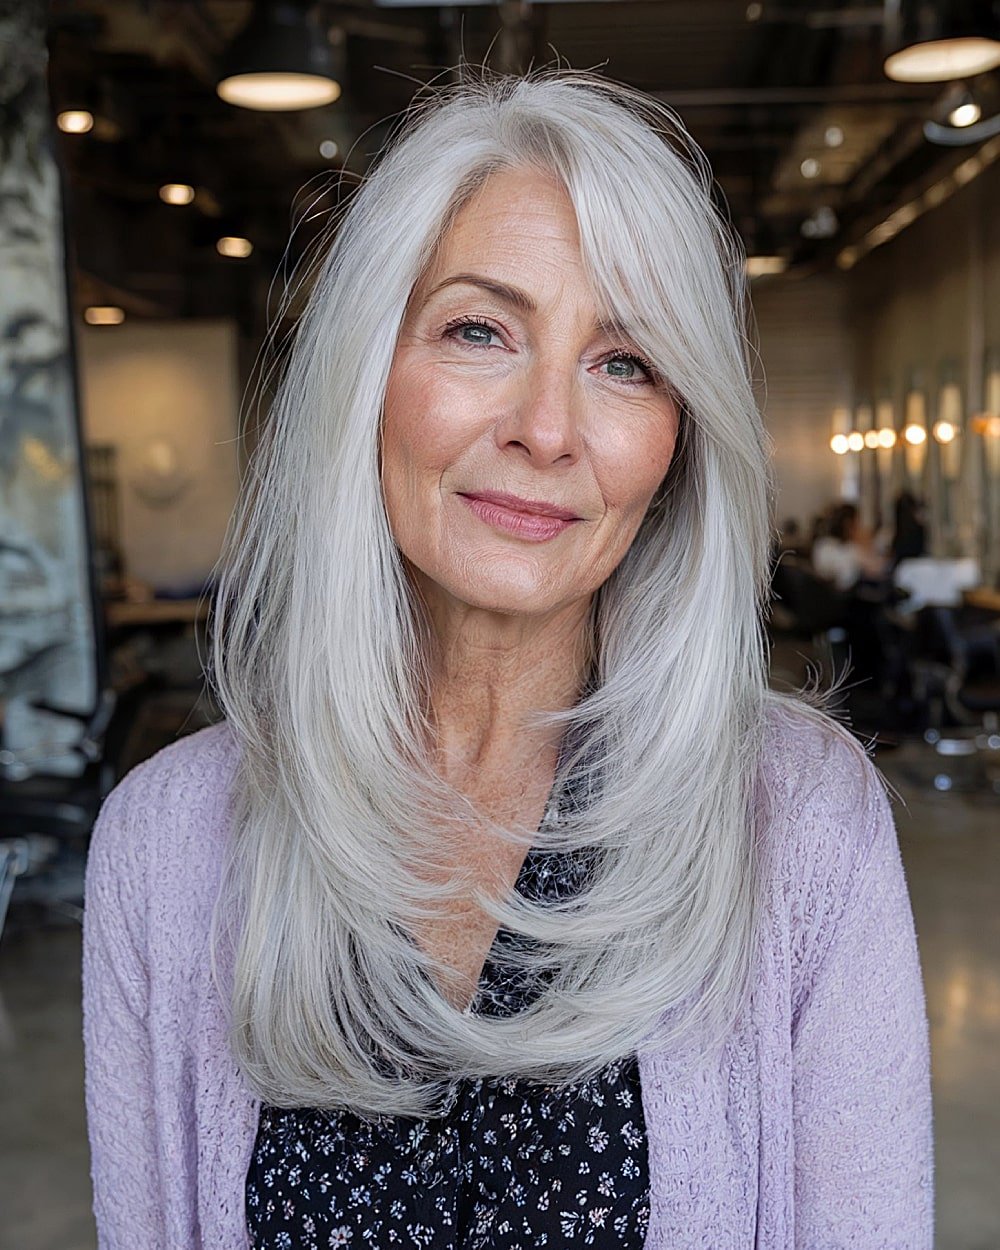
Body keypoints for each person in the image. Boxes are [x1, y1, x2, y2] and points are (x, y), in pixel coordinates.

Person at [82, 70, 933, 1248]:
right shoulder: (163, 849)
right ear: (365, 377)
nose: (546, 427)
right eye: (479, 329)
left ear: (677, 439)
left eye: (624, 360)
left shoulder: (802, 827)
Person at [811, 500, 888, 591]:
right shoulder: (850, 550)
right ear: (849, 525)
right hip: (846, 600)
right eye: (858, 523)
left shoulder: (821, 545)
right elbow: (880, 569)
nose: (860, 527)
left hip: (823, 598)